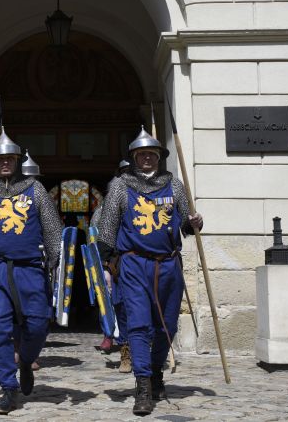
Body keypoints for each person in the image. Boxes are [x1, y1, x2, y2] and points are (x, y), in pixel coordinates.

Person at [95, 128, 204, 416]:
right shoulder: (120, 186)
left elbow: (184, 225)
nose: (146, 158)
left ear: (159, 157)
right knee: (139, 325)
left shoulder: (175, 185)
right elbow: (107, 228)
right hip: (134, 264)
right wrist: (108, 266)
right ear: (133, 157)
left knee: (167, 325)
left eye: (151, 154)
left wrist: (194, 222)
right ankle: (142, 385)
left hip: (168, 264)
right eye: (142, 154)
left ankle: (156, 371)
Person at [0, 128, 63, 414]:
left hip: (30, 266)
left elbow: (53, 229)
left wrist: (55, 264)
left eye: (10, 159)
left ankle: (26, 360)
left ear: (17, 160)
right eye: (0, 159)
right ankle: (8, 388)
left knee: (38, 323)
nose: (5, 163)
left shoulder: (35, 189)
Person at [94, 159, 132, 363]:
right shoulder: (105, 206)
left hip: (144, 257)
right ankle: (111, 335)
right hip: (116, 261)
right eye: (123, 171)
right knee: (113, 302)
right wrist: (104, 264)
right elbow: (98, 234)